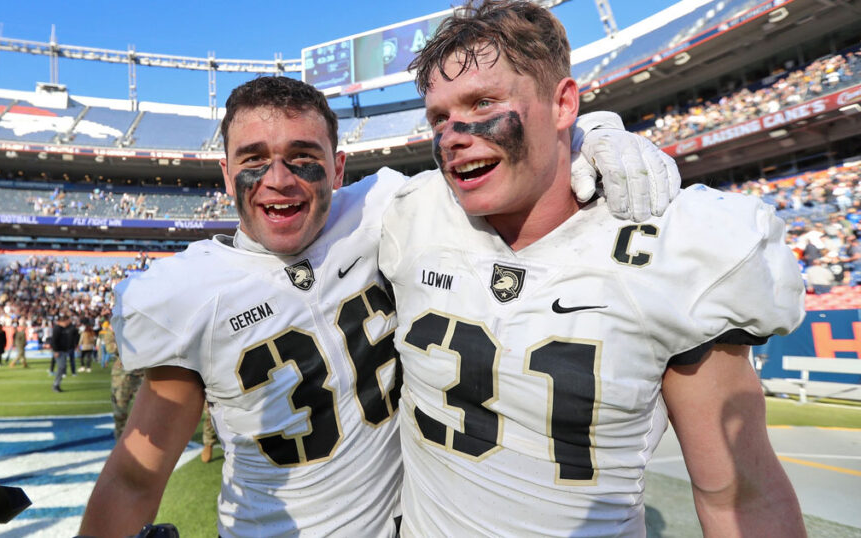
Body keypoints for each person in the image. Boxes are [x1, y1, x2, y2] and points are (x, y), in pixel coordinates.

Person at [80, 75, 680, 536]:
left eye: (303, 156)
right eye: (254, 159)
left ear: (339, 168)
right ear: (225, 174)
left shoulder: (383, 209)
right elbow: (137, 473)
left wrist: (589, 132)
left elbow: (505, 163)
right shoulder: (187, 293)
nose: (279, 178)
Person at [378, 2, 807, 536]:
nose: (453, 135)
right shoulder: (409, 214)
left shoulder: (673, 245)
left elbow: (738, 496)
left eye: (483, 101)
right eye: (439, 117)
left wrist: (589, 132)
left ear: (563, 104)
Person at [51, 314, 76, 392]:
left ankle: (57, 384)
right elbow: (54, 340)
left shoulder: (63, 328)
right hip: (59, 351)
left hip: (63, 351)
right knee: (61, 367)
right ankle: (56, 385)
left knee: (63, 368)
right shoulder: (57, 329)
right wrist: (55, 351)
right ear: (64, 321)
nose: (69, 322)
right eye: (68, 321)